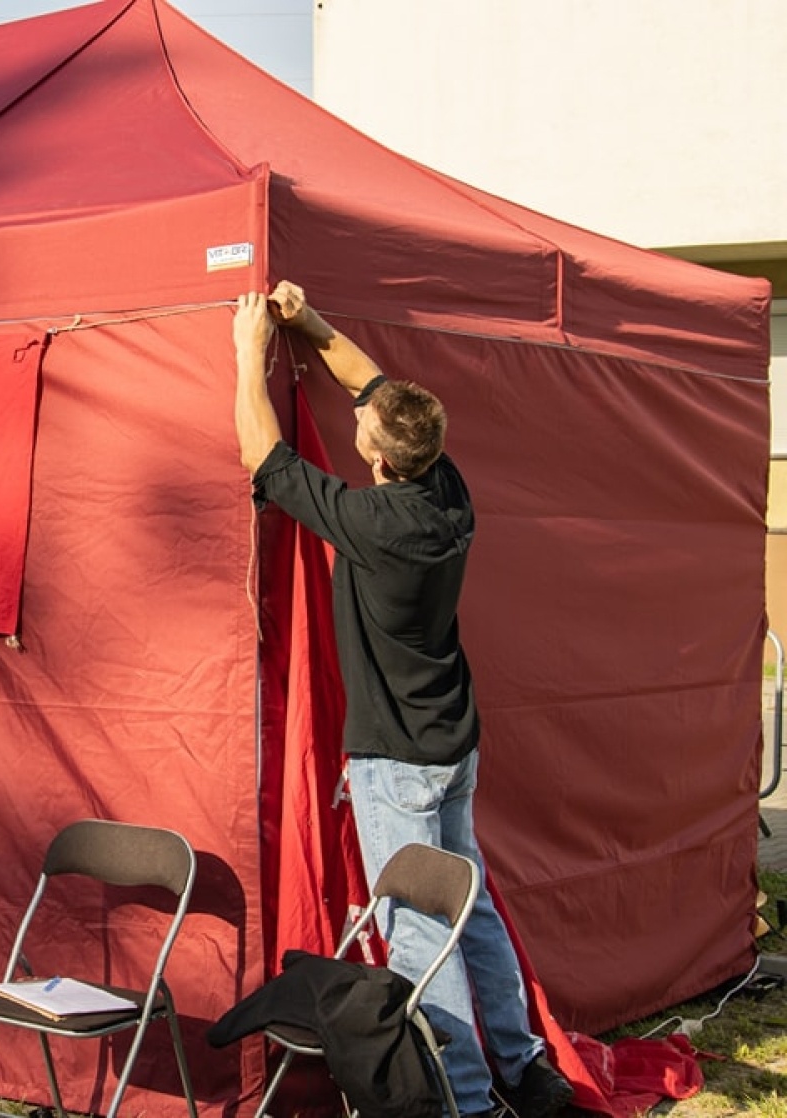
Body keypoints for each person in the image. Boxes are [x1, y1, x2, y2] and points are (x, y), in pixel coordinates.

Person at [232, 281, 574, 1118]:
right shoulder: (445, 489)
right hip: (453, 743)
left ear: (378, 458)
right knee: (472, 907)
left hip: (399, 761)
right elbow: (372, 385)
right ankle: (525, 1068)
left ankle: (464, 1101)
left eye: (365, 430)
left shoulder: (376, 524)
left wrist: (248, 352)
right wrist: (308, 322)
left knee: (422, 930)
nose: (359, 420)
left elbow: (264, 457)